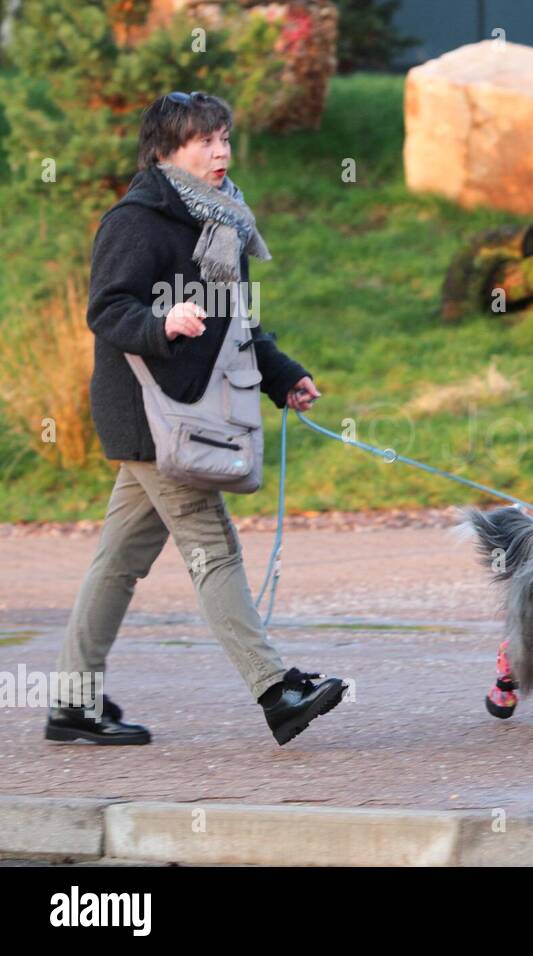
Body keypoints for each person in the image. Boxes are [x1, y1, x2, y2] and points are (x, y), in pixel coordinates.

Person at [46, 91, 345, 747]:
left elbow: (238, 321)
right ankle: (277, 690)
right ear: (165, 151)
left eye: (225, 139)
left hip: (186, 408)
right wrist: (162, 323)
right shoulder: (137, 220)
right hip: (153, 411)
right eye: (205, 141)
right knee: (214, 545)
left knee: (118, 561)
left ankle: (70, 700)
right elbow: (107, 310)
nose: (220, 152)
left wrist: (282, 374)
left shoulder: (219, 223)